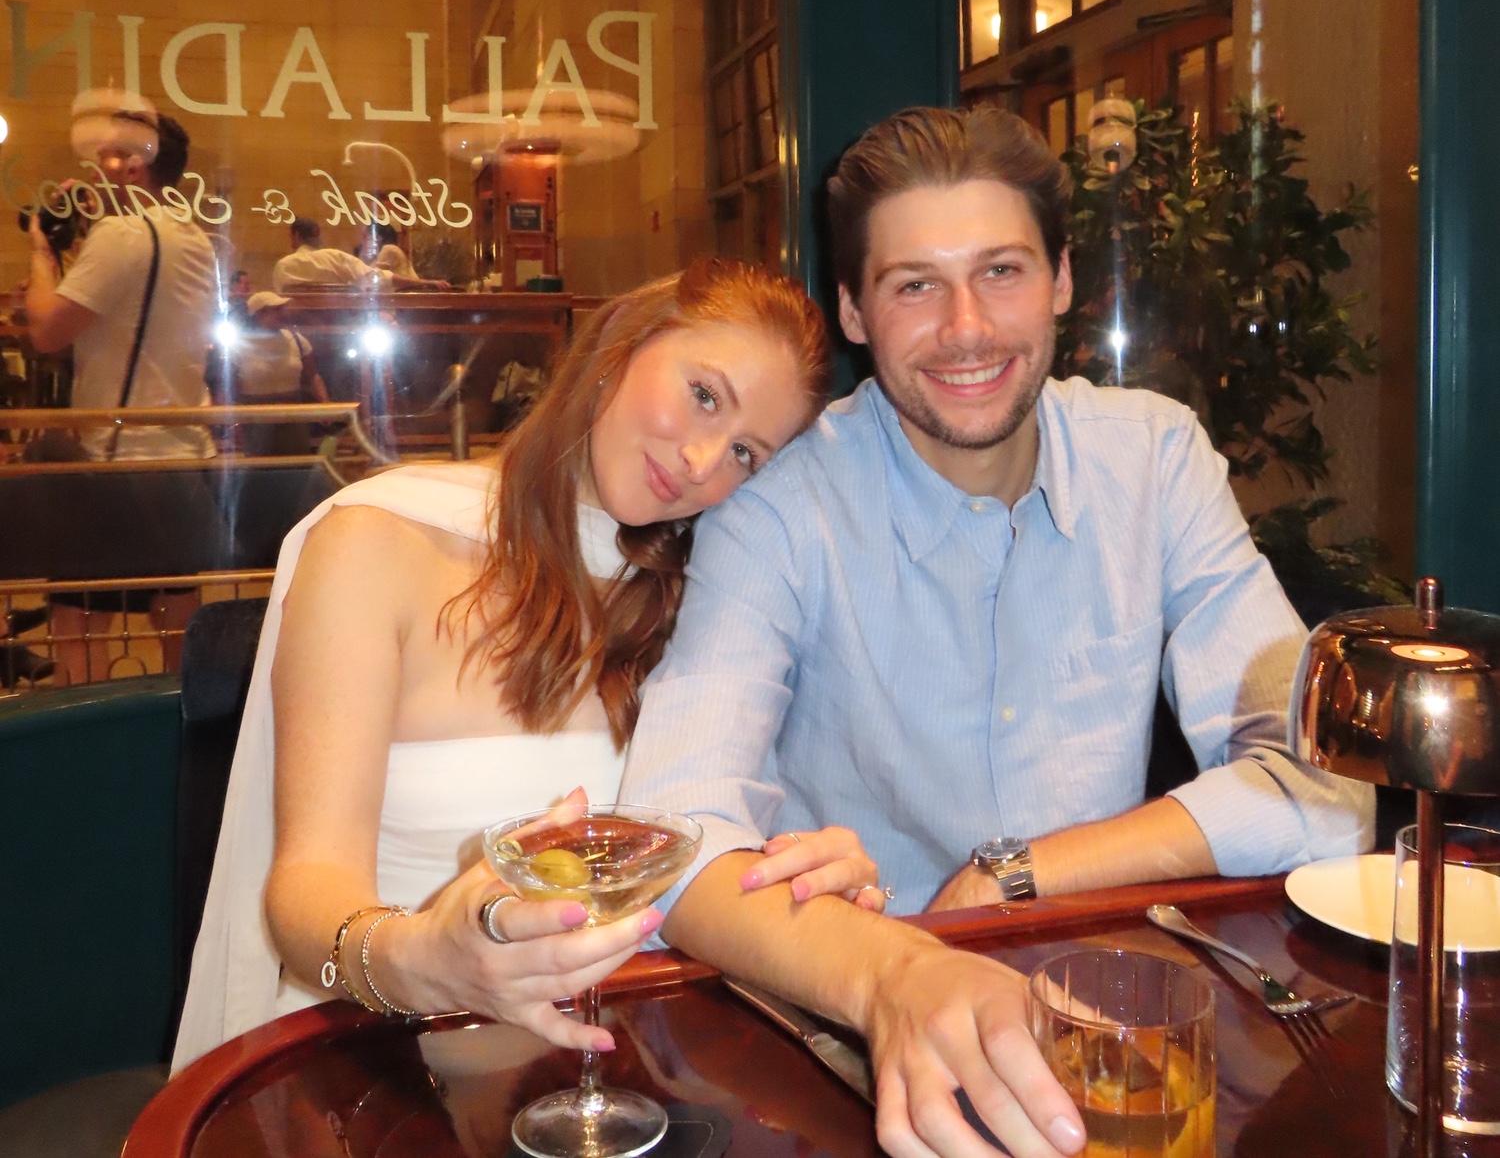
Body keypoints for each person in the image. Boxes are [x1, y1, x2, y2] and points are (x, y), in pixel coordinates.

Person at [619, 106, 1376, 1158]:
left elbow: (1327, 786)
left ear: (1061, 280)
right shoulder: (781, 511)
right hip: (849, 1055)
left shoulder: (1154, 462)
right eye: (914, 286)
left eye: (1002, 272)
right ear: (854, 311)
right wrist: (896, 972)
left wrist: (1021, 873)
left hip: (1109, 1032)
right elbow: (672, 838)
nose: (966, 327)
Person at [173, 259, 887, 1073]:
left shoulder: (715, 607)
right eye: (703, 394)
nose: (702, 461)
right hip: (382, 1071)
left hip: (626, 1073)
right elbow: (303, 900)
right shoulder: (379, 544)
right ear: (622, 344)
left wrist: (805, 877)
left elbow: (715, 872)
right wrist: (416, 958)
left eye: (746, 454)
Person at [23, 109, 218, 682]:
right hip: (181, 455)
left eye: (106, 157)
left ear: (135, 166)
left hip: (117, 459)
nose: (94, 169)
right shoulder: (193, 238)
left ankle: (90, 735)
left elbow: (47, 331)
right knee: (176, 615)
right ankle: (185, 727)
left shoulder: (123, 235)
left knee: (79, 621)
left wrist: (42, 253)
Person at [230, 290, 329, 455]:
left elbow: (313, 377)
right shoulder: (238, 346)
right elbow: (230, 387)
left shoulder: (297, 340)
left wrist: (325, 405)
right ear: (259, 314)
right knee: (259, 463)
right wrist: (233, 422)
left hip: (292, 414)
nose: (283, 313)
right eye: (276, 309)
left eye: (282, 308)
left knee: (296, 460)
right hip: (255, 418)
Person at [272, 215, 450, 293]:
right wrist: (427, 282)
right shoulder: (335, 258)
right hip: (339, 330)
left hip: (299, 329)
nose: (362, 241)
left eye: (365, 236)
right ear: (318, 234)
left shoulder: (283, 266)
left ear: (296, 236)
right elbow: (378, 278)